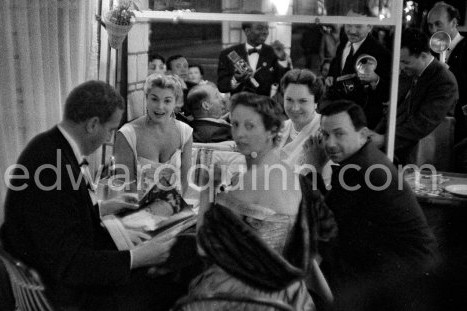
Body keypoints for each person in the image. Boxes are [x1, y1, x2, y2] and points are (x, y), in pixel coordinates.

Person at [0, 81, 184, 311]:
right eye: (110, 130)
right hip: (66, 295)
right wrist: (136, 257)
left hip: (54, 274)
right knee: (174, 285)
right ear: (93, 124)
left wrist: (102, 208)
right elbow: (70, 264)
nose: (109, 139)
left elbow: (56, 217)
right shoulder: (51, 167)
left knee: (163, 267)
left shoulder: (49, 146)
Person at [186, 92, 337, 311]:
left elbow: (205, 247)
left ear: (272, 131)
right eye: (235, 124)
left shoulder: (256, 180)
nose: (239, 134)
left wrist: (208, 191)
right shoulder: (285, 172)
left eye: (250, 126)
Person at [303, 100, 439, 310]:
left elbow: (323, 223)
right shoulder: (364, 158)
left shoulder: (359, 169)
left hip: (404, 273)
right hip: (405, 262)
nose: (329, 144)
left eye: (339, 134)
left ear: (364, 134)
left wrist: (313, 169)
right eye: (325, 135)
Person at [371, 28, 458, 164]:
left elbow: (423, 122)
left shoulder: (443, 80)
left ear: (423, 56)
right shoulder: (408, 74)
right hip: (394, 150)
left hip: (422, 158)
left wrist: (384, 139)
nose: (400, 67)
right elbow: (393, 110)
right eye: (399, 61)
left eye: (405, 62)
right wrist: (374, 135)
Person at [114, 73, 193, 197]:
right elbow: (125, 184)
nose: (160, 106)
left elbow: (185, 181)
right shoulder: (127, 134)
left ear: (175, 103)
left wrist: (175, 207)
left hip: (175, 207)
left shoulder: (185, 132)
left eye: (167, 101)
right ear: (146, 99)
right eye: (154, 99)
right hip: (135, 207)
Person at [324, 8, 392, 129]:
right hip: (338, 111)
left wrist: (375, 79)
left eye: (358, 26)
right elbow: (337, 61)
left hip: (362, 118)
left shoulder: (381, 53)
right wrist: (331, 75)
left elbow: (388, 92)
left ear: (370, 26)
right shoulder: (344, 40)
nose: (352, 31)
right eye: (349, 25)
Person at [427, 1, 467, 145]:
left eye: (438, 24)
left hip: (459, 126)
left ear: (454, 22)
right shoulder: (429, 51)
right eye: (430, 25)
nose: (433, 30)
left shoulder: (464, 48)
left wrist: (447, 72)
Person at [217, 20, 291, 96]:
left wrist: (282, 59)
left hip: (263, 106)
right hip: (238, 105)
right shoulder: (231, 54)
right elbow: (222, 86)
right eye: (260, 28)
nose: (265, 32)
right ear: (247, 31)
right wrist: (236, 80)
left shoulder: (272, 52)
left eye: (266, 28)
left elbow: (285, 84)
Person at [278, 69, 325, 170]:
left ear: (316, 102)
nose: (295, 108)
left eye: (303, 101)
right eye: (289, 100)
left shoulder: (324, 130)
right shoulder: (280, 128)